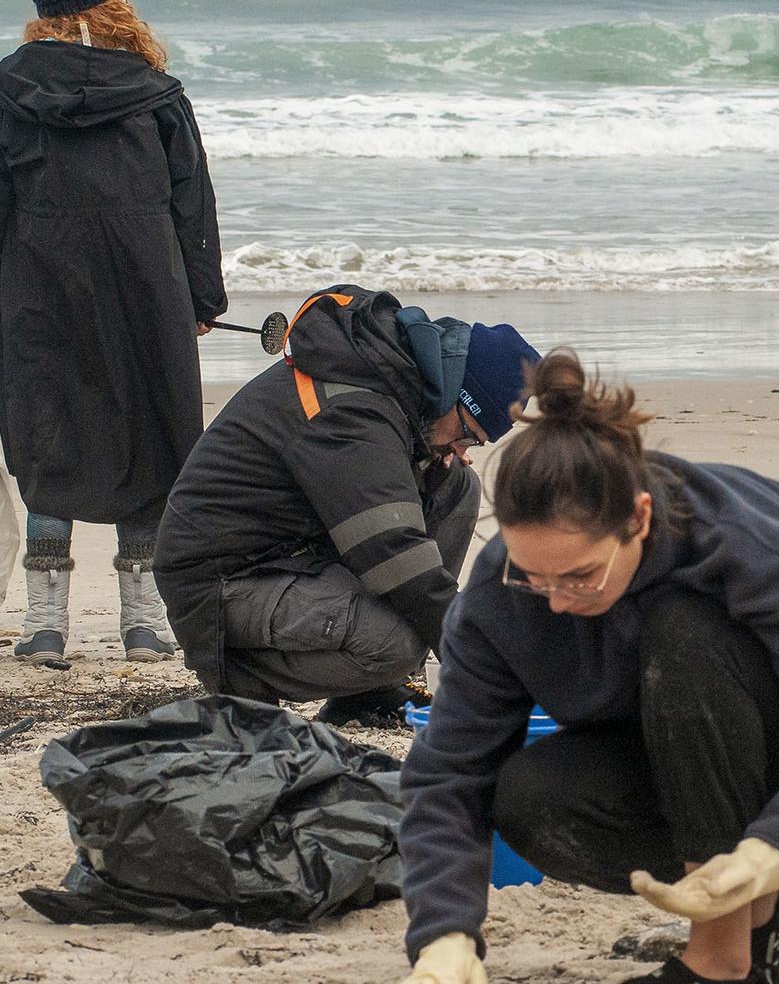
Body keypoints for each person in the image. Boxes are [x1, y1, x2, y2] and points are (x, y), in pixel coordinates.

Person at [397, 351, 779, 984]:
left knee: (682, 628)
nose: (555, 600)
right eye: (534, 576)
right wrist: (444, 940)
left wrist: (776, 851)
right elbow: (447, 778)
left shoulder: (744, 539)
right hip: (684, 756)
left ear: (639, 517)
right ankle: (767, 916)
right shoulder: (501, 594)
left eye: (579, 576)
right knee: (530, 797)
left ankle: (723, 958)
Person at [0, 0, 225, 670]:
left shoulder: (10, 91)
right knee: (153, 436)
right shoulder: (157, 93)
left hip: (38, 291)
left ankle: (45, 624)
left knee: (50, 438)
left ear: (43, 12)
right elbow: (192, 202)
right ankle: (142, 622)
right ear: (111, 1)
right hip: (146, 286)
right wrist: (203, 296)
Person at [154, 285, 539, 725]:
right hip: (220, 584)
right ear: (457, 393)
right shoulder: (354, 409)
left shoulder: (391, 380)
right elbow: (394, 553)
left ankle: (368, 695)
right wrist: (475, 650)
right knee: (396, 644)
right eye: (468, 433)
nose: (464, 446)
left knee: (455, 485)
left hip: (292, 556)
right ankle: (245, 683)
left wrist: (431, 457)